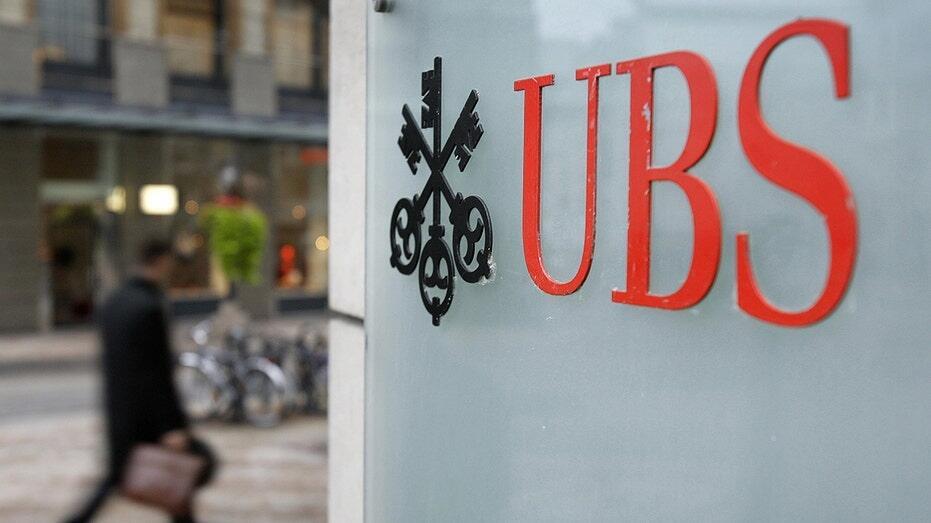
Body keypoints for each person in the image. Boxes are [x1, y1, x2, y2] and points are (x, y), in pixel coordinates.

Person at [66, 240, 215, 523]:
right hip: (148, 418)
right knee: (187, 470)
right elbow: (157, 372)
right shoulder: (150, 306)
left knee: (126, 478)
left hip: (120, 412)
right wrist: (171, 425)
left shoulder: (114, 302)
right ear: (162, 262)